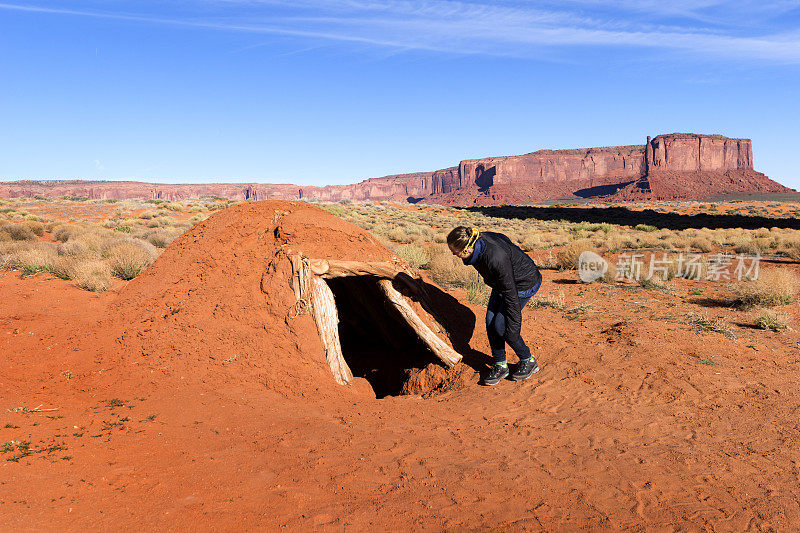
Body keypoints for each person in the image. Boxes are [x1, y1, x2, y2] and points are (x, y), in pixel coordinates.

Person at [447, 226, 542, 385]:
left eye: (455, 252)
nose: (453, 255)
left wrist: (512, 330)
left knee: (501, 326)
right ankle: (500, 364)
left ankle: (528, 360)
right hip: (503, 281)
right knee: (490, 321)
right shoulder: (479, 242)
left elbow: (511, 295)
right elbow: (504, 239)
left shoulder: (495, 258)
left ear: (467, 248)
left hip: (522, 284)